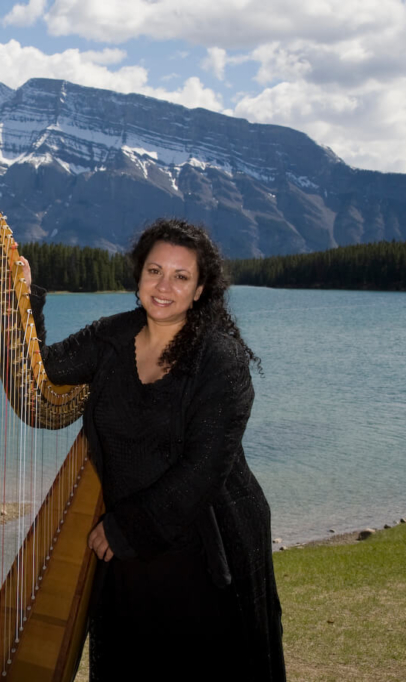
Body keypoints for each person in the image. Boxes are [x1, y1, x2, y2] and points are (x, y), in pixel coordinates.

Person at [20, 218, 285, 681]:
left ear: (200, 290)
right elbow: (39, 370)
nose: (164, 287)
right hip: (131, 545)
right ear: (139, 276)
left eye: (181, 277)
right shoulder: (110, 337)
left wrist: (126, 528)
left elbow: (204, 468)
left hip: (207, 545)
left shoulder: (221, 359)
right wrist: (24, 298)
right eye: (154, 271)